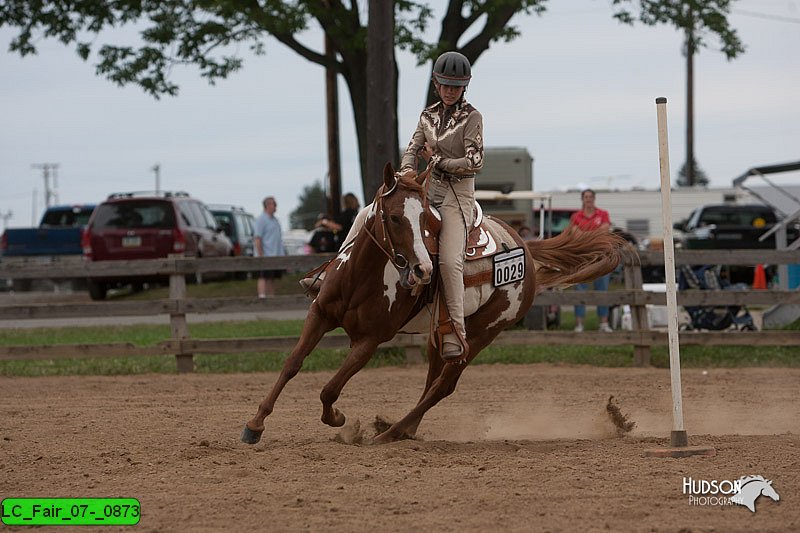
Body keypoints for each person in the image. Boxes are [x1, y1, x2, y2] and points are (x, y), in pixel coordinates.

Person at [397, 50, 483, 361]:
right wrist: (407, 172)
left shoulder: (473, 118)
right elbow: (412, 149)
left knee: (449, 261)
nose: (449, 91)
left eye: (455, 86)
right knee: (388, 225)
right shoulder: (426, 116)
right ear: (436, 84)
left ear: (464, 87)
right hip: (426, 191)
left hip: (456, 198)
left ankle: (456, 331)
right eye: (445, 85)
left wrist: (436, 160)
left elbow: (474, 161)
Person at [570, 189, 613, 332]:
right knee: (580, 289)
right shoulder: (576, 216)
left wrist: (585, 235)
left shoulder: (603, 214)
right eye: (585, 197)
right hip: (583, 258)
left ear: (594, 198)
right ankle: (579, 324)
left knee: (602, 290)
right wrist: (595, 234)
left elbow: (605, 231)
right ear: (582, 199)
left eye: (590, 196)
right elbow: (576, 235)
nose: (588, 199)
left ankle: (604, 323)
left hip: (602, 257)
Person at [254, 196, 285, 298]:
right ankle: (262, 297)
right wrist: (261, 255)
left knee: (271, 278)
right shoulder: (261, 220)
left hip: (275, 254)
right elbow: (258, 238)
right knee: (263, 276)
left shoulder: (275, 220)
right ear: (267, 205)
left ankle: (272, 298)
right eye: (273, 204)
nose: (275, 206)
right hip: (265, 254)